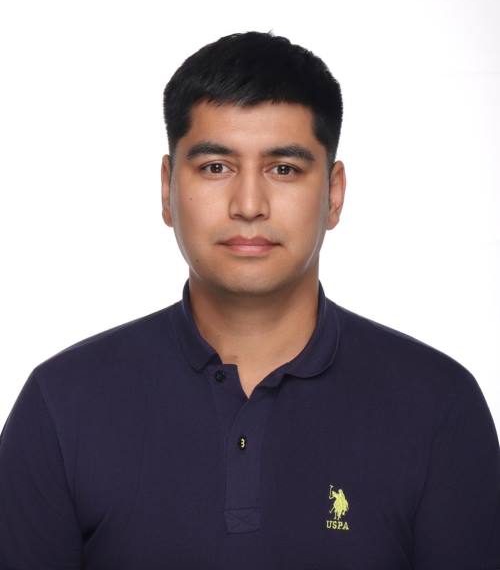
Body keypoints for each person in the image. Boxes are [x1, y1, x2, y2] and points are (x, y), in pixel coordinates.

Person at [0, 30, 498, 569]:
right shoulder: (62, 405)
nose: (249, 204)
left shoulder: (439, 407)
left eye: (284, 169)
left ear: (333, 194)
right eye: (216, 167)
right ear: (167, 188)